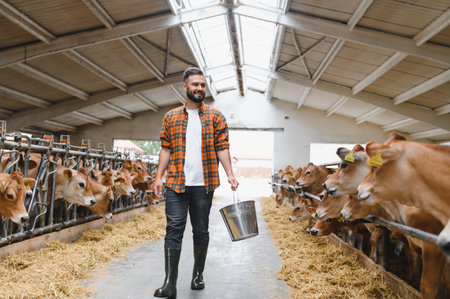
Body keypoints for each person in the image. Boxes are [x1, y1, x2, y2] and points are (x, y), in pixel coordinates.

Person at [153, 67, 239, 299]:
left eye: (202, 85)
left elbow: (222, 147)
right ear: (185, 86)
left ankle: (197, 275)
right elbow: (166, 149)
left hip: (204, 184)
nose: (200, 88)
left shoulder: (215, 116)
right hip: (176, 183)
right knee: (173, 230)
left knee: (201, 230)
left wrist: (230, 173)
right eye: (195, 85)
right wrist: (158, 177)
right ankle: (170, 283)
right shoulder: (170, 117)